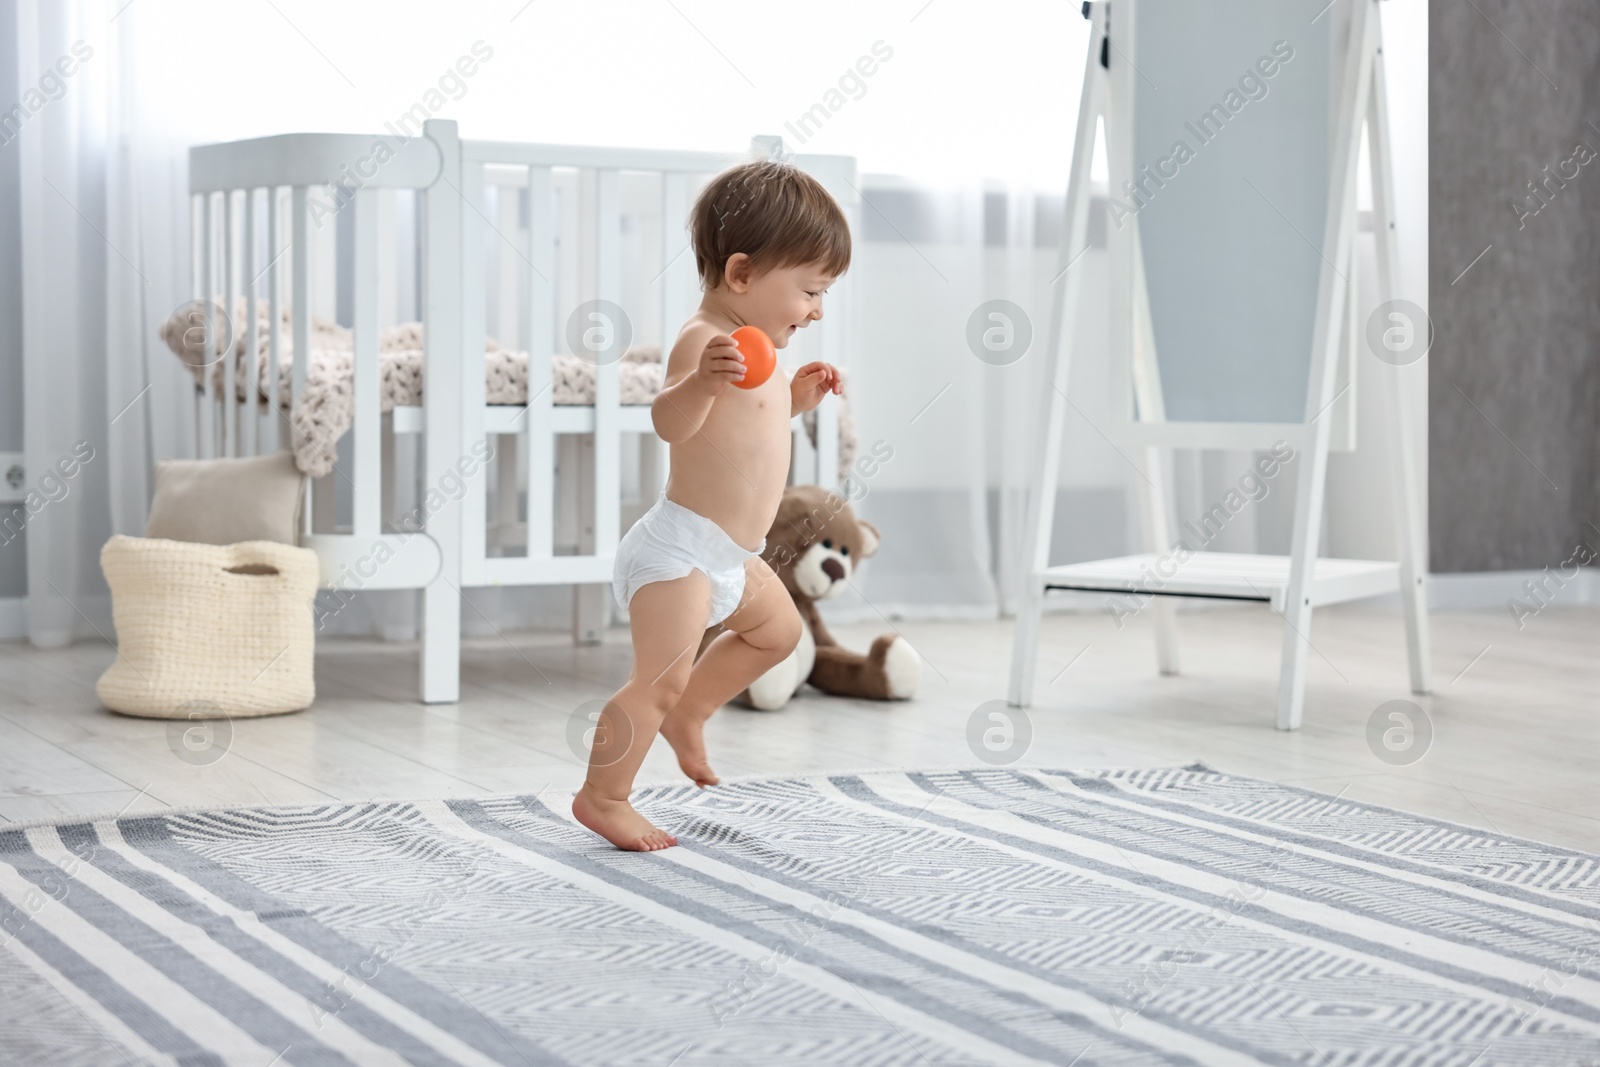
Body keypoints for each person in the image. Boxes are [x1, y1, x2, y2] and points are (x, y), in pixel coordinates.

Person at [572, 159, 850, 851]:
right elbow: (671, 422)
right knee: (655, 678)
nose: (816, 310)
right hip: (678, 551)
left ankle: (690, 711)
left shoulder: (761, 351)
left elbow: (750, 427)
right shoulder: (704, 342)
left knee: (780, 634)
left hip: (730, 555)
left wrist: (795, 398)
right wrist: (698, 381)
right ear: (742, 275)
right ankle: (603, 795)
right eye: (810, 291)